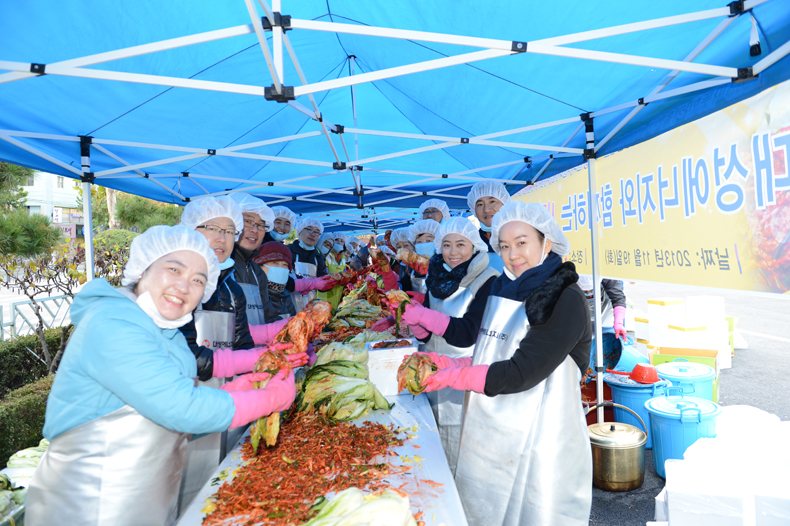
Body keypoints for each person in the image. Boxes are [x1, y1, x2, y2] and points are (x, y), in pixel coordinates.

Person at [25, 226, 296, 526]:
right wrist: (270, 398)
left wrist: (237, 391)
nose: (184, 286)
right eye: (174, 269)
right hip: (87, 506)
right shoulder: (112, 323)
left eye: (198, 280)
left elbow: (169, 421)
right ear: (143, 269)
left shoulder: (166, 333)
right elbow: (180, 408)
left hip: (144, 502)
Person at [414, 201, 592, 526]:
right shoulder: (508, 290)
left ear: (547, 243)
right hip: (496, 436)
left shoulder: (564, 296)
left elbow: (521, 371)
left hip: (542, 443)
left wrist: (455, 377)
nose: (513, 255)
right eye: (505, 246)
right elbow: (496, 354)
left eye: (522, 243)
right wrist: (450, 364)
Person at [398, 219, 499, 472]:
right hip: (431, 373)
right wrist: (417, 325)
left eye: (460, 244)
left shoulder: (488, 280)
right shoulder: (437, 276)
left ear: (475, 246)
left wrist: (423, 316)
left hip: (464, 376)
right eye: (446, 245)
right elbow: (429, 333)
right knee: (434, 443)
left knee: (461, 449)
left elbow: (467, 333)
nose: (453, 252)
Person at [229, 193, 276, 326]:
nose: (255, 230)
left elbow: (268, 314)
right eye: (248, 222)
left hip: (259, 347)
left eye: (261, 225)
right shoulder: (219, 266)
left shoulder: (256, 270)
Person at [577, 274, 628, 380]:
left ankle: (608, 376)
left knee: (608, 342)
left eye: (591, 290)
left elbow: (618, 298)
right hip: (579, 309)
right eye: (585, 291)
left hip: (606, 309)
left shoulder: (607, 276)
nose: (589, 294)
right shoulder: (565, 280)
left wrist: (618, 323)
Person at [288, 217, 333, 312]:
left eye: (317, 232)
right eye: (309, 229)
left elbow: (322, 285)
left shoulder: (318, 256)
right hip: (289, 304)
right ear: (299, 231)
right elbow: (285, 282)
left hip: (310, 306)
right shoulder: (289, 251)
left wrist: (331, 281)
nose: (313, 234)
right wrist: (312, 283)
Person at [466, 181, 512, 271]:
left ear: (505, 204)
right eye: (480, 204)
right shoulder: (470, 242)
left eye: (492, 201)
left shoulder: (519, 236)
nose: (486, 210)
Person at [254, 241, 297, 323]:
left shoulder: (286, 293)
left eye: (285, 264)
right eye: (275, 262)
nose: (280, 268)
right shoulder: (256, 294)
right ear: (260, 265)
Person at [407, 219, 441, 294]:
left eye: (428, 240)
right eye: (419, 242)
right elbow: (405, 287)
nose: (423, 245)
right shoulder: (412, 265)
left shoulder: (443, 264)